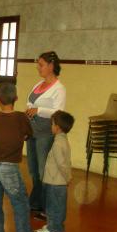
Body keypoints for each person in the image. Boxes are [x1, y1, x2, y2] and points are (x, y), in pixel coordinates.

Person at [0, 82, 43, 232]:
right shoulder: (21, 117)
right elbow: (28, 134)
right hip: (9, 166)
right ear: (16, 98)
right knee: (20, 201)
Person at [25, 51, 66, 218]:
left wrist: (38, 110)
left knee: (43, 171)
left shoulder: (59, 88)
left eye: (41, 64)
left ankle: (47, 207)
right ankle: (36, 203)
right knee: (33, 171)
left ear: (51, 66)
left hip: (45, 135)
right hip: (31, 133)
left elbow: (59, 112)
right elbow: (29, 102)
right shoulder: (37, 84)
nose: (38, 67)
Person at [35, 111, 74, 232]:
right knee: (57, 205)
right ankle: (55, 226)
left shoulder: (58, 143)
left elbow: (62, 164)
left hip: (55, 182)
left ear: (57, 127)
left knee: (53, 206)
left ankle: (54, 229)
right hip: (57, 181)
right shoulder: (62, 140)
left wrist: (68, 177)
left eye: (52, 124)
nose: (50, 126)